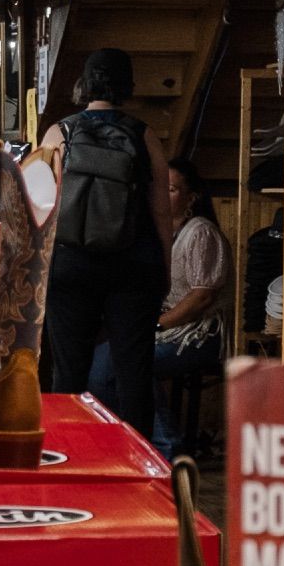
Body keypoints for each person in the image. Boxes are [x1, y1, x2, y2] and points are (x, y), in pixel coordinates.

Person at [41, 47, 173, 441]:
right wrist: (164, 266)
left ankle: (68, 453)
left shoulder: (58, 133)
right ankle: (137, 462)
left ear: (84, 83)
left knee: (68, 369)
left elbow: (42, 208)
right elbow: (162, 210)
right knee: (133, 368)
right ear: (126, 85)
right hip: (132, 264)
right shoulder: (143, 134)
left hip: (70, 264)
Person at [88, 157, 231, 457]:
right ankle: (125, 442)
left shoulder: (200, 232)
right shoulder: (156, 230)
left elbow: (201, 297)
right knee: (100, 365)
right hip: (163, 326)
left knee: (133, 360)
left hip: (198, 333)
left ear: (191, 198)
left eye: (172, 189)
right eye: (158, 188)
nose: (162, 195)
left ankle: (167, 449)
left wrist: (156, 324)